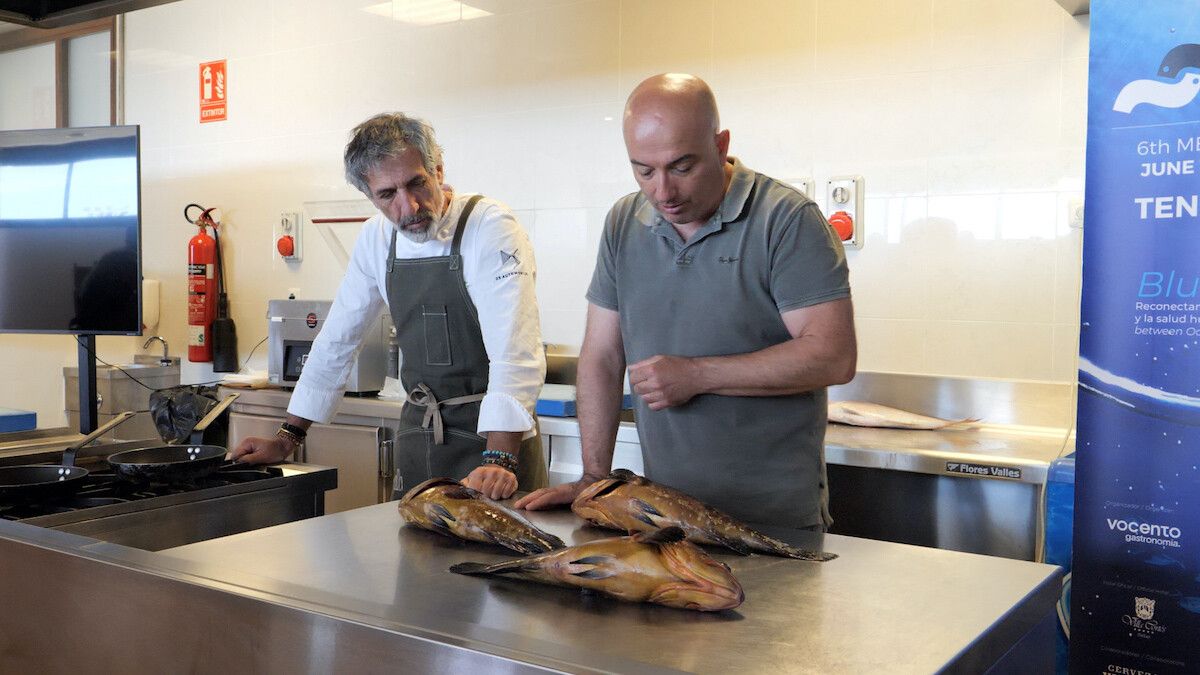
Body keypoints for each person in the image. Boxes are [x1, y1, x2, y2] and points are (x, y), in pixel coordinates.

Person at [516, 74, 856, 530]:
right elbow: (601, 354)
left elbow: (833, 356)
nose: (662, 192)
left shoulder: (786, 220)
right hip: (667, 518)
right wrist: (594, 477)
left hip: (773, 521)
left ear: (720, 145)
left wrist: (697, 375)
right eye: (644, 170)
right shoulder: (624, 221)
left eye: (681, 167)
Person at [232, 113, 546, 500]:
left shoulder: (489, 226)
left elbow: (515, 349)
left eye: (417, 183)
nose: (408, 206)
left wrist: (499, 458)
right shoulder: (376, 239)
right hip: (419, 436)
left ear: (438, 169)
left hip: (496, 444)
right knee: (413, 557)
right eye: (387, 194)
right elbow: (337, 340)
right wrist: (286, 438)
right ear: (369, 195)